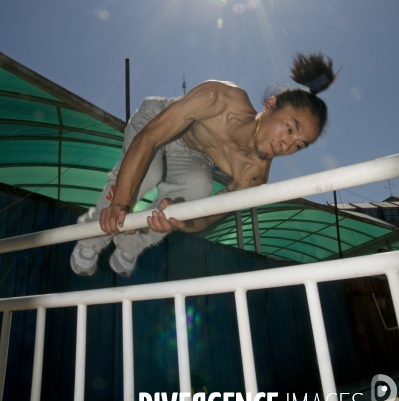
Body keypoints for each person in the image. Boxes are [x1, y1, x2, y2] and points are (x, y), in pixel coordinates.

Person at [70, 52, 337, 277]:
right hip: (156, 125)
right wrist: (121, 202)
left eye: (298, 145)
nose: (286, 145)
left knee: (197, 189)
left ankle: (132, 244)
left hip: (193, 155)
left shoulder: (254, 174)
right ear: (270, 105)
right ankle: (92, 238)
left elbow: (209, 215)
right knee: (148, 173)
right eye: (290, 129)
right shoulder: (219, 98)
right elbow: (149, 138)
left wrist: (179, 222)